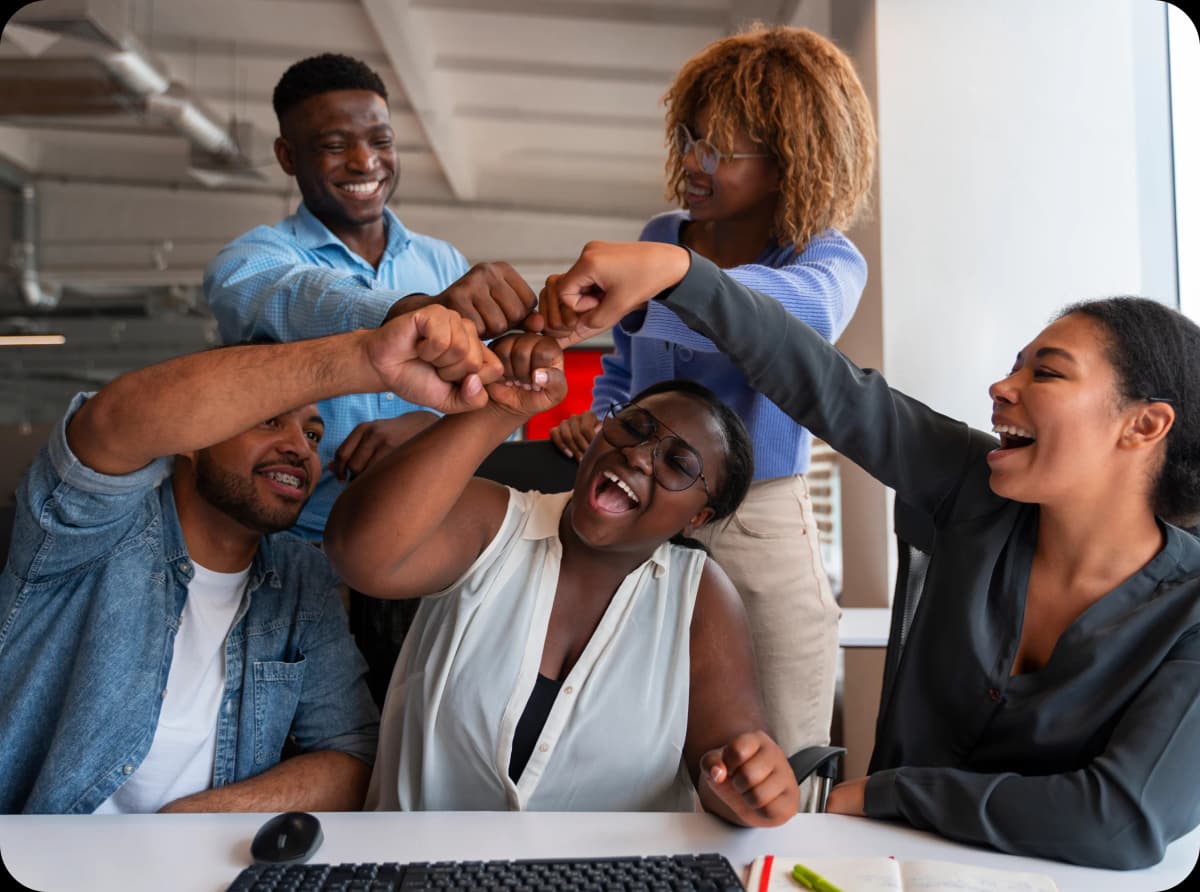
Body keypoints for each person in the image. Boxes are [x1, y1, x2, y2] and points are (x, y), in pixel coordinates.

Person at [537, 239, 1200, 869]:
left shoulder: (1189, 611)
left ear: (1144, 424)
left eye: (1046, 372)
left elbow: (1120, 820)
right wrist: (682, 273)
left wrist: (884, 793)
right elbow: (832, 388)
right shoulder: (975, 486)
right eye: (1015, 364)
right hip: (882, 866)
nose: (1002, 386)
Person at [0, 303, 500, 815]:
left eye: (312, 435)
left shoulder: (299, 577)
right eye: (269, 421)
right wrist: (365, 356)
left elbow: (353, 755)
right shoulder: (91, 531)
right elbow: (109, 424)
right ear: (190, 439)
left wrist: (202, 817)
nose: (300, 450)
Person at [548, 24, 877, 774]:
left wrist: (666, 276)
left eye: (723, 150)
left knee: (782, 751)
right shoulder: (665, 233)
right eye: (692, 137)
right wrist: (604, 416)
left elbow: (804, 318)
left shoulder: (822, 260)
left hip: (758, 517)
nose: (694, 163)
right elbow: (629, 368)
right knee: (635, 746)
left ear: (790, 161)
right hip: (643, 509)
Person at [323, 333, 801, 827]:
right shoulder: (494, 521)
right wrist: (499, 409)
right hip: (424, 871)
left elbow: (726, 765)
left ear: (697, 518)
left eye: (678, 464)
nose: (638, 456)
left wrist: (752, 785)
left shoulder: (699, 595)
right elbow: (358, 553)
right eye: (633, 427)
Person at [204, 52, 537, 702]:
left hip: (424, 550)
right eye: (334, 145)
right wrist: (407, 314)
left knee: (405, 744)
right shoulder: (254, 259)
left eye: (380, 140)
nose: (365, 162)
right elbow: (296, 295)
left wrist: (422, 427)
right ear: (286, 155)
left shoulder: (443, 260)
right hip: (289, 557)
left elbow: (492, 408)